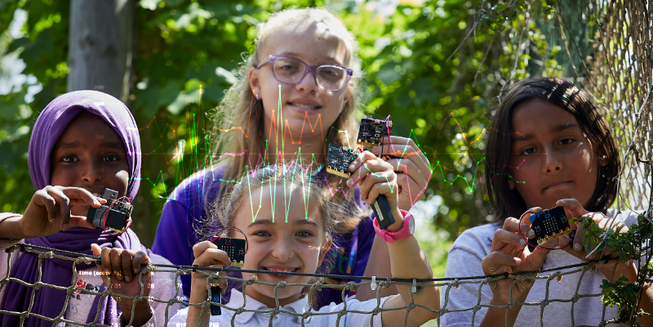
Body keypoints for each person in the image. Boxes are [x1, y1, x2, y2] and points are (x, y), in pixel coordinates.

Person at [152, 7, 432, 306]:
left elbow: (377, 319)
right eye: (287, 67)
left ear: (346, 92)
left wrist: (394, 212)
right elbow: (158, 312)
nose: (308, 84)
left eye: (329, 72)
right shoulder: (193, 197)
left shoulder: (367, 196)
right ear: (255, 81)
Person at [441, 77, 652, 326]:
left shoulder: (639, 232)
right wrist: (504, 303)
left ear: (601, 149)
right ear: (508, 175)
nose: (551, 163)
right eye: (528, 151)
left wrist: (625, 274)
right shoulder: (478, 251)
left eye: (565, 141)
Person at [167, 157, 439, 327]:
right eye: (262, 233)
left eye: (303, 234)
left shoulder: (340, 321)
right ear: (230, 245)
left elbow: (422, 305)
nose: (283, 253)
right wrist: (201, 303)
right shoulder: (198, 320)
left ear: (323, 251)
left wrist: (394, 224)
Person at [0, 91, 181, 326]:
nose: (91, 175)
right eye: (69, 158)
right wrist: (20, 226)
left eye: (109, 158)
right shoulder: (10, 253)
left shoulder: (157, 276)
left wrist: (135, 311)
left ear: (133, 169)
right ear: (42, 166)